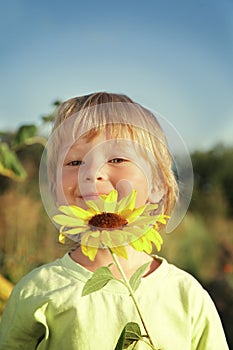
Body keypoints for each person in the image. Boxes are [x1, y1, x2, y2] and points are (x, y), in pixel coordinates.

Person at [0, 92, 229, 349]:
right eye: (74, 161)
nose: (92, 174)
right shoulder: (35, 292)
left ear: (158, 185)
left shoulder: (187, 296)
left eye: (117, 159)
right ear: (54, 190)